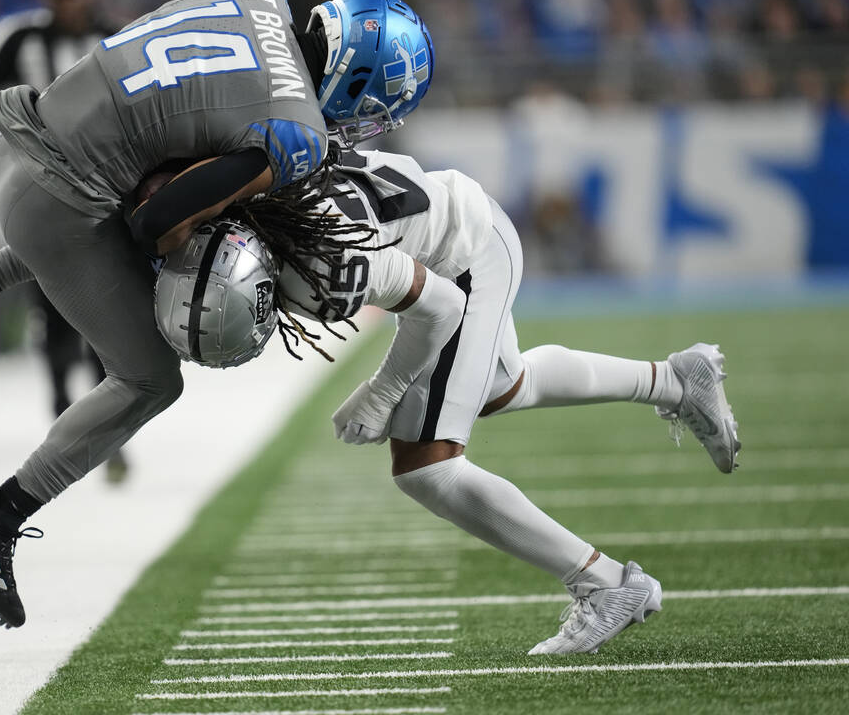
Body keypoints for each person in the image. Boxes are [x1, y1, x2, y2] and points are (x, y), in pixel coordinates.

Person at [0, 0, 435, 627]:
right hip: (49, 201)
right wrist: (211, 257)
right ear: (358, 82)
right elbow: (158, 219)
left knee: (116, 195)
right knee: (150, 378)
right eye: (376, 106)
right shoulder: (301, 132)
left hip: (11, 141)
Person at [151, 146, 742, 655]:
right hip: (464, 222)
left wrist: (380, 393)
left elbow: (440, 309)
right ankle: (673, 379)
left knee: (426, 465)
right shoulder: (253, 187)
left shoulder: (320, 268)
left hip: (466, 261)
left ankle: (606, 583)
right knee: (505, 387)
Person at [0, 0, 131, 482]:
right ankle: (64, 413)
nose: (73, 1)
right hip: (42, 194)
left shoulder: (115, 38)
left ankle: (104, 423)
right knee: (54, 309)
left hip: (109, 193)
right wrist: (26, 122)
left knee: (112, 311)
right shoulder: (18, 37)